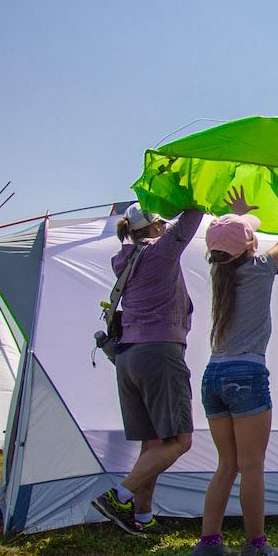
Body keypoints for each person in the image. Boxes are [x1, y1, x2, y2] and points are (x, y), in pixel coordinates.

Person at [189, 180, 278, 556]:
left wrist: (239, 215)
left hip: (212, 376)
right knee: (252, 465)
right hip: (246, 374)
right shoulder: (262, 268)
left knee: (226, 465)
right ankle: (255, 546)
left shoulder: (220, 275)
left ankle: (209, 543)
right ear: (251, 245)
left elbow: (231, 243)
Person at [91, 203, 204, 534]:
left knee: (152, 443)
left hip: (128, 356)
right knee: (180, 440)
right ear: (155, 228)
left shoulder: (125, 258)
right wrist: (186, 192)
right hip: (159, 353)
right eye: (162, 223)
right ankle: (120, 495)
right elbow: (193, 215)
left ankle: (142, 517)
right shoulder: (160, 253)